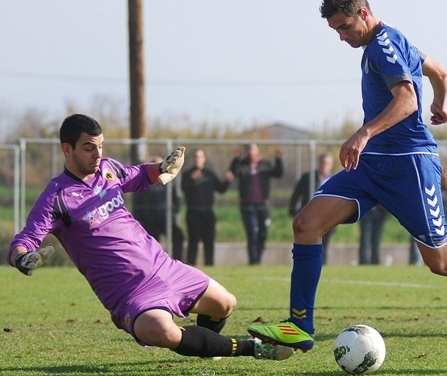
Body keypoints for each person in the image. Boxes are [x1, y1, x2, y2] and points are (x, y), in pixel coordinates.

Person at [247, 0, 447, 352]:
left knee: (440, 262)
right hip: (372, 166)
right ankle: (301, 325)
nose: (342, 37)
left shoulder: (383, 46)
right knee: (306, 224)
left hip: (409, 166)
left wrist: (364, 134)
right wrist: (440, 106)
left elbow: (407, 99)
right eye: (335, 31)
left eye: (345, 27)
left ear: (363, 13)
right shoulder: (391, 42)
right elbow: (439, 72)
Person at [6, 114, 292, 361]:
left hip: (163, 267)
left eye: (100, 147)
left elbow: (140, 175)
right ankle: (252, 349)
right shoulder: (55, 197)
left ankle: (208, 347)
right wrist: (22, 257)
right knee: (163, 331)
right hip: (130, 294)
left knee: (225, 303)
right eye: (89, 148)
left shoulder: (109, 169)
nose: (97, 154)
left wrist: (162, 168)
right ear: (66, 150)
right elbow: (26, 239)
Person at [226, 143, 283, 265]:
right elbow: (233, 172)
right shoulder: (242, 165)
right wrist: (236, 158)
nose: (250, 152)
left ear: (258, 151)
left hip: (263, 204)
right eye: (249, 149)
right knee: (252, 232)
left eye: (253, 149)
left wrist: (278, 159)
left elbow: (278, 173)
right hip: (247, 205)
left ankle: (258, 259)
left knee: (263, 233)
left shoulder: (265, 165)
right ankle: (253, 261)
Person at [181, 149, 230, 266]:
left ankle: (210, 265)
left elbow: (221, 189)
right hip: (193, 212)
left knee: (209, 241)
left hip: (208, 212)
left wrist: (227, 181)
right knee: (193, 242)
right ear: (193, 159)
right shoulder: (187, 175)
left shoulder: (210, 174)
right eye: (196, 157)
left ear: (204, 159)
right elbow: (183, 188)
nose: (198, 159)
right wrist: (192, 180)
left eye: (200, 157)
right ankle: (191, 267)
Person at [132, 156, 185, 261]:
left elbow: (176, 201)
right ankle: (152, 264)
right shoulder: (144, 184)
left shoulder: (168, 184)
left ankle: (177, 262)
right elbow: (137, 204)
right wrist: (140, 219)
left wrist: (173, 211)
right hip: (150, 221)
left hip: (166, 219)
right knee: (151, 245)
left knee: (179, 236)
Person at [289, 152, 336, 264]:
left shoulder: (335, 180)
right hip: (310, 215)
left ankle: (322, 264)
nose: (324, 165)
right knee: (309, 242)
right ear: (319, 164)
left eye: (327, 163)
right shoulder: (308, 178)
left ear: (331, 165)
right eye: (323, 163)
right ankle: (308, 263)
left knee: (324, 243)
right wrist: (293, 211)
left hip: (328, 217)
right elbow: (296, 195)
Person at [410, 169, 447, 265]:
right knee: (421, 240)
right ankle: (417, 261)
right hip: (427, 219)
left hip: (443, 220)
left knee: (442, 243)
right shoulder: (430, 186)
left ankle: (445, 259)